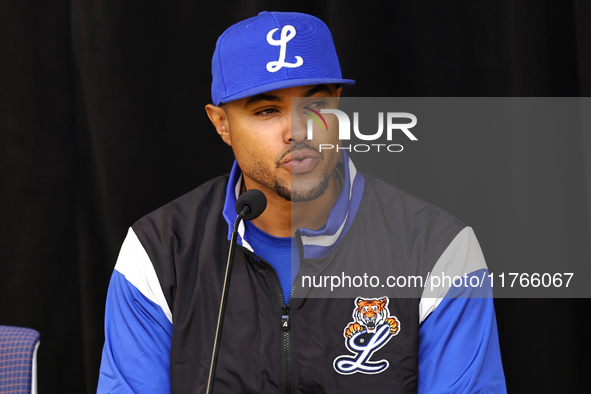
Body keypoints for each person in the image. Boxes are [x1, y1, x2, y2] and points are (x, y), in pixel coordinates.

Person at [97, 11, 506, 393]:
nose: (297, 129)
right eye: (267, 110)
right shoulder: (157, 252)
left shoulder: (440, 249)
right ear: (221, 124)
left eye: (314, 104)